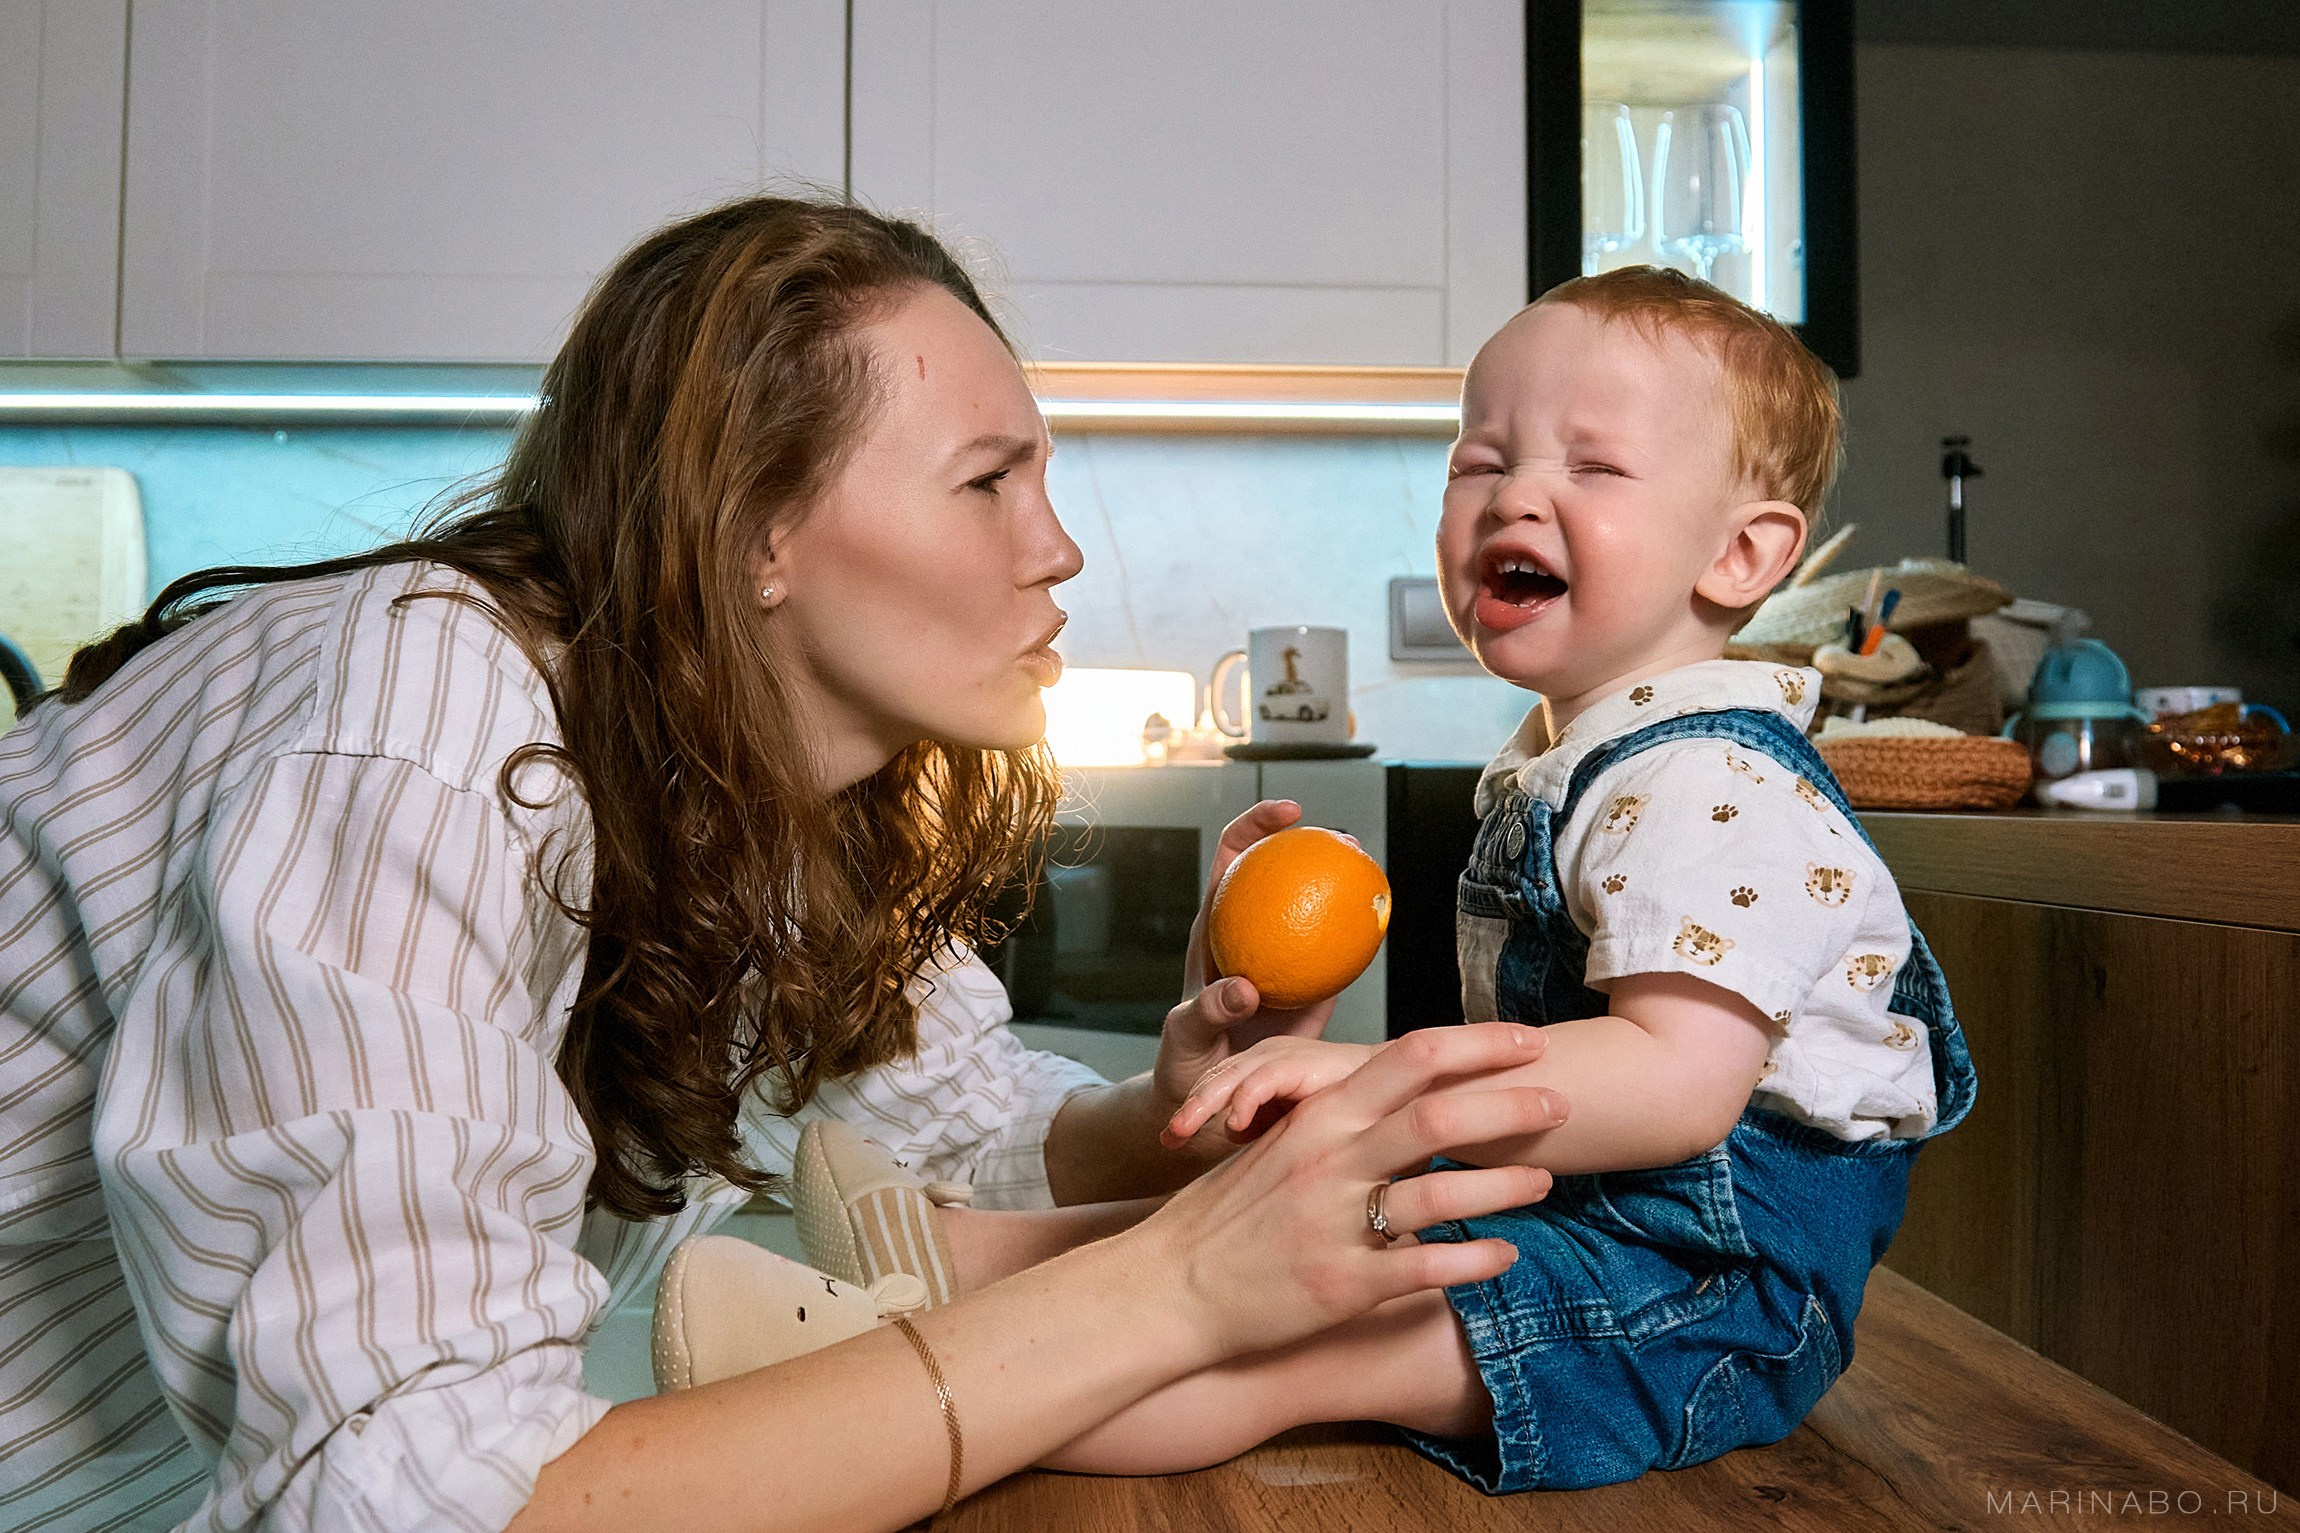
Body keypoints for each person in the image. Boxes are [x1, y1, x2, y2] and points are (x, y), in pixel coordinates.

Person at [0, 195, 1574, 1532]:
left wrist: (1173, 1111)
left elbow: (945, 1132)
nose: (1062, 546)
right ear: (759, 527)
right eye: (989, 480)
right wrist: (1171, 1286)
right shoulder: (417, 728)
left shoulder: (752, 779)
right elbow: (410, 1492)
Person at [811, 266, 1980, 1491]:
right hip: (1585, 1209)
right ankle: (959, 1264)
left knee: (1293, 1339)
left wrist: (1370, 1076)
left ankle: (914, 1409)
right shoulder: (1581, 765)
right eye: (1479, 461)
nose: (1513, 492)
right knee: (1271, 1220)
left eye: (1591, 466)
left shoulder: (1711, 787)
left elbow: (1677, 1089)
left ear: (1741, 554)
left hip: (1702, 1291)